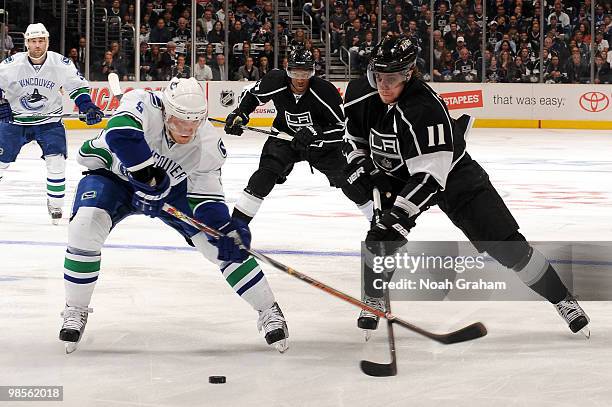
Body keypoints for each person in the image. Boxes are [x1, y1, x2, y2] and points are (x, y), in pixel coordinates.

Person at [343, 35, 589, 336]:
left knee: (509, 246)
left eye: (391, 78)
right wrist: (360, 164)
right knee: (379, 238)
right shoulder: (359, 94)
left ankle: (562, 298)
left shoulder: (424, 109)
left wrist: (400, 215)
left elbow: (431, 177)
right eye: (378, 76)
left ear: (409, 75)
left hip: (453, 175)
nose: (383, 84)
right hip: (396, 174)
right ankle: (375, 296)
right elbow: (353, 137)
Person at [59, 77, 288, 353]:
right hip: (114, 178)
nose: (187, 129)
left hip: (173, 192)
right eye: (180, 120)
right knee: (85, 227)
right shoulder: (141, 101)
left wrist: (224, 226)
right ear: (166, 111)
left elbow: (207, 199)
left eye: (194, 122)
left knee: (218, 245)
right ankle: (75, 308)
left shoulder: (208, 145)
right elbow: (119, 133)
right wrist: (147, 176)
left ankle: (268, 309)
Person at [224, 47, 369, 225]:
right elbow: (253, 96)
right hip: (284, 138)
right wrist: (241, 114)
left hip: (320, 145)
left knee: (350, 182)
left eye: (306, 73)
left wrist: (316, 132)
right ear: (287, 70)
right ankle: (235, 228)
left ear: (313, 72)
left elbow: (343, 128)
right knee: (263, 177)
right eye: (295, 72)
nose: (300, 79)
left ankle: (381, 226)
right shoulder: (275, 81)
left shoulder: (325, 92)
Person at [0, 23, 103, 224]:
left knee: (56, 163)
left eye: (41, 40)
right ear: (26, 43)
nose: (37, 45)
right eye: (33, 41)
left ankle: (56, 206)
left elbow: (77, 87)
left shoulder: (61, 64)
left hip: (49, 121)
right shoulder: (12, 64)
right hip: (15, 120)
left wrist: (87, 106)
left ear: (47, 41)